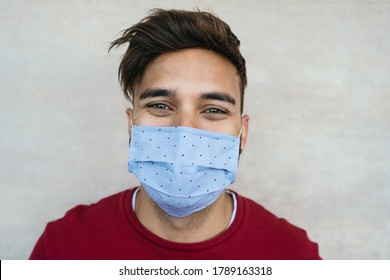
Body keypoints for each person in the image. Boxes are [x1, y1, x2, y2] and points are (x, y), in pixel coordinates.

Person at [30, 8, 320, 260]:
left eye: (214, 110)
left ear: (242, 133)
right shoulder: (63, 246)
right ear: (132, 127)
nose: (185, 131)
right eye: (159, 106)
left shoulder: (293, 256)